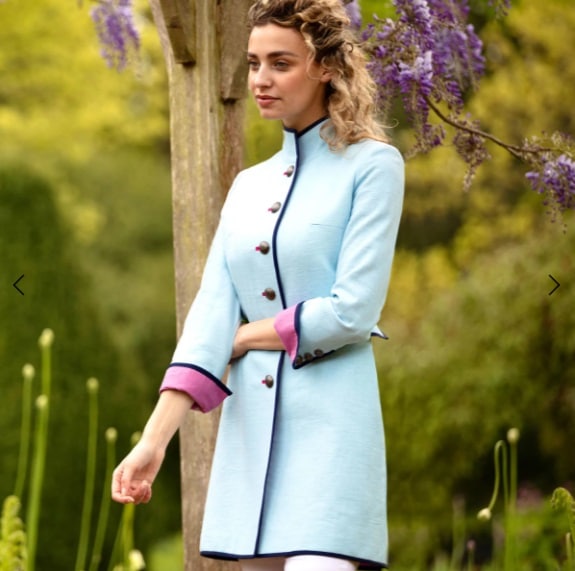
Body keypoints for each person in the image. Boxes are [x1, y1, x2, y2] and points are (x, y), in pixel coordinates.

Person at [111, 0, 404, 569]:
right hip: (250, 442)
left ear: (324, 67)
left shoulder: (375, 166)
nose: (260, 80)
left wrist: (245, 340)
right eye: (253, 63)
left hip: (333, 433)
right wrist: (154, 440)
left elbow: (352, 311)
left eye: (280, 63)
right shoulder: (248, 186)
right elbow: (210, 317)